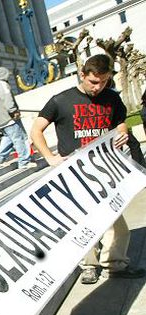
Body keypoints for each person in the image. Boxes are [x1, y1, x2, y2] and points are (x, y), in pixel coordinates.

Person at [30, 54, 145, 285]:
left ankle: (115, 263)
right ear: (82, 75)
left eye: (103, 81)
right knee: (84, 222)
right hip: (75, 172)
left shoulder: (111, 98)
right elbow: (36, 130)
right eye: (94, 82)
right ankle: (89, 265)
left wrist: (122, 132)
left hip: (106, 168)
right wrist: (50, 157)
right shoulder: (60, 100)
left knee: (115, 219)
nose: (98, 87)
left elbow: (120, 121)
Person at [0, 67, 36, 170]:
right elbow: (7, 99)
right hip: (9, 118)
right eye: (7, 75)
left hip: (0, 120)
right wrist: (14, 111)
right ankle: (24, 162)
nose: (8, 77)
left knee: (7, 139)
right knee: (20, 139)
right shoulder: (3, 85)